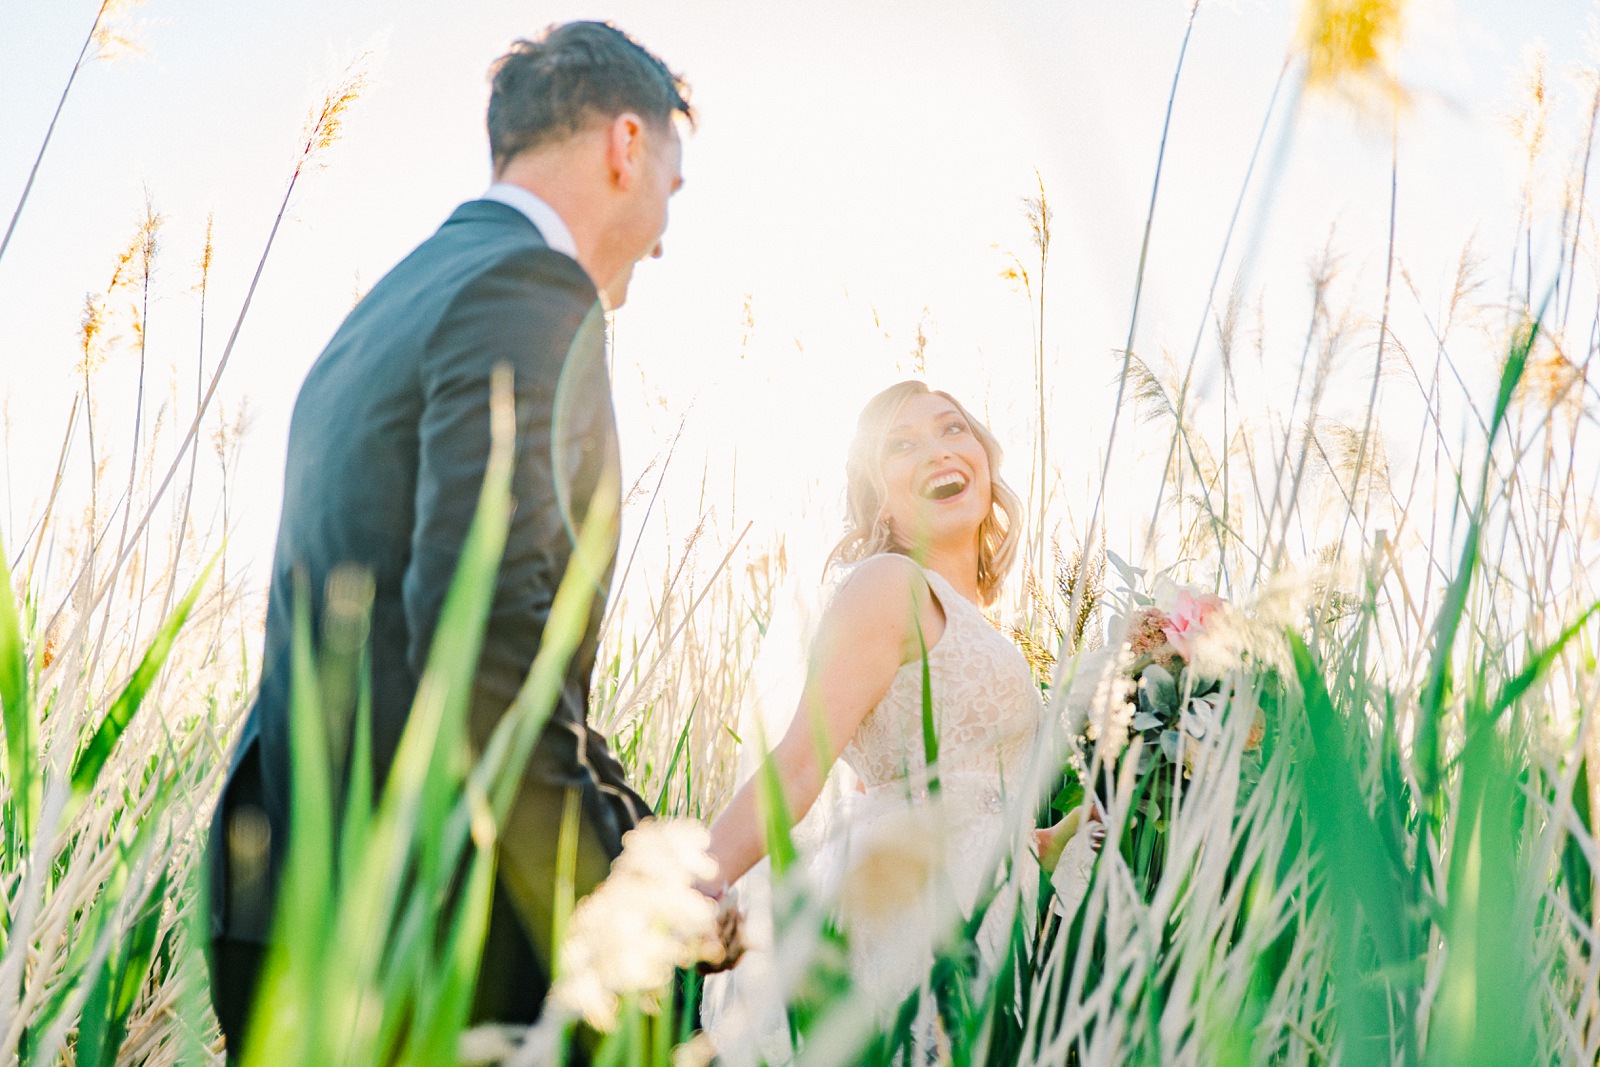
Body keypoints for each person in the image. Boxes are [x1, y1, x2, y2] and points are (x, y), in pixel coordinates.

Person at [206, 22, 691, 1052]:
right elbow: (484, 651)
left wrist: (642, 840)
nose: (661, 236)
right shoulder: (532, 290)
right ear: (625, 145)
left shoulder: (382, 309)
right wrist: (618, 921)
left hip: (287, 890)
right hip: (428, 928)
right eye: (671, 192)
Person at [698, 380, 1101, 1060]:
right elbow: (800, 765)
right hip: (909, 918)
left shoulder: (979, 626)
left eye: (952, 429)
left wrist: (1074, 826)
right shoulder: (889, 584)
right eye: (904, 444)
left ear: (984, 457)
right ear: (880, 500)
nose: (939, 451)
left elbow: (973, 803)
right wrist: (695, 883)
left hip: (990, 912)